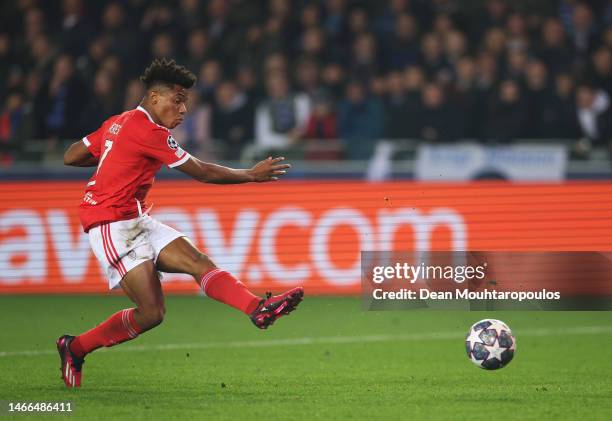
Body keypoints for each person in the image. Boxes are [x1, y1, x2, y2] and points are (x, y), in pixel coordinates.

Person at [57, 59, 304, 388]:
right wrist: (250, 175)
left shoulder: (118, 123)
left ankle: (257, 307)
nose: (184, 109)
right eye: (178, 99)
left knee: (198, 261)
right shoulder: (148, 131)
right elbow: (201, 171)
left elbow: (71, 155)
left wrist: (110, 152)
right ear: (154, 97)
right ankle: (74, 347)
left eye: (186, 100)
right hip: (110, 224)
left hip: (135, 217)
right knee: (151, 313)